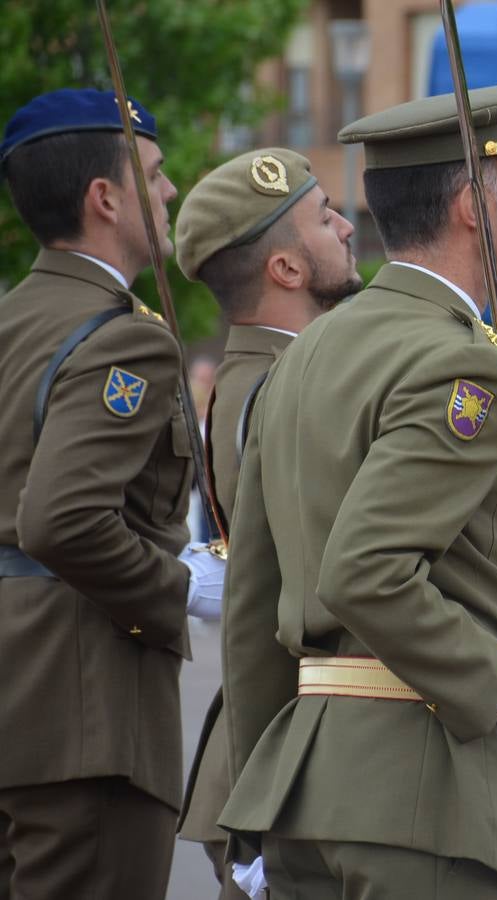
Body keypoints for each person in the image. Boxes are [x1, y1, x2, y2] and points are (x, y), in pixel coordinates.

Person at [217, 84, 497, 899]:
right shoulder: (457, 359)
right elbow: (365, 571)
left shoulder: (309, 352)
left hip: (301, 790)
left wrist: (251, 807)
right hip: (419, 794)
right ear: (471, 202)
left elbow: (258, 603)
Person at [0, 88, 224, 899]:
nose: (169, 193)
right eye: (155, 175)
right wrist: (179, 586)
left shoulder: (11, 318)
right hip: (84, 714)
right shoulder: (123, 334)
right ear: (105, 198)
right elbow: (61, 518)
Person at [171, 146, 361, 896]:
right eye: (324, 217)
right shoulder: (277, 387)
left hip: (288, 757)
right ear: (284, 269)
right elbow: (268, 604)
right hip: (286, 763)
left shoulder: (285, 371)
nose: (347, 228)